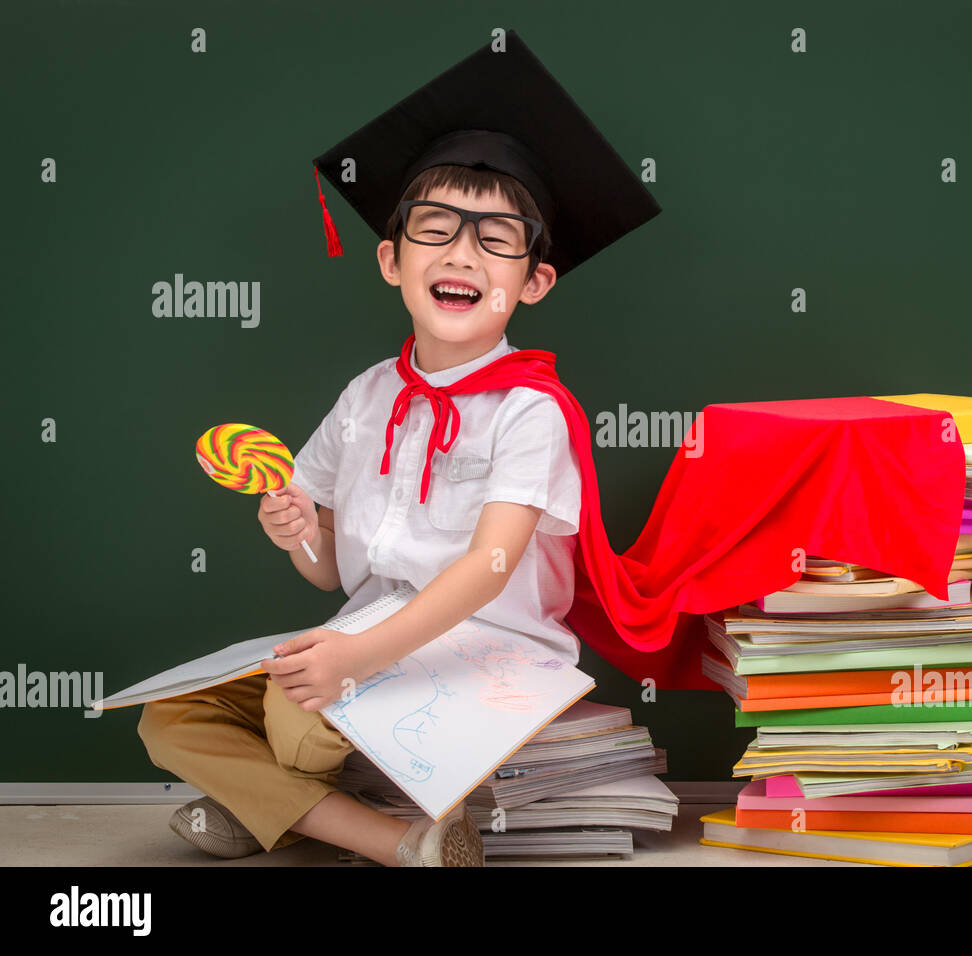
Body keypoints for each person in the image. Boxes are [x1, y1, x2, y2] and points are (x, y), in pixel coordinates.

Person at [136, 29, 661, 867]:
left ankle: (268, 804)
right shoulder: (366, 396)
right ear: (391, 259)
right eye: (436, 227)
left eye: (495, 236)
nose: (461, 250)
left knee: (295, 729)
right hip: (366, 643)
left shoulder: (531, 411)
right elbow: (327, 573)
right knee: (171, 716)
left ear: (534, 281)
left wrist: (355, 657)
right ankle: (392, 839)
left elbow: (491, 566)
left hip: (479, 658)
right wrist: (297, 528)